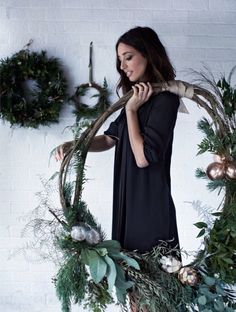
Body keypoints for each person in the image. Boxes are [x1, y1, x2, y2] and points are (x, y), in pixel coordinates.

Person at [55, 26, 180, 312]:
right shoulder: (131, 99)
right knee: (133, 287)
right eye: (119, 61)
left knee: (155, 286)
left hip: (150, 205)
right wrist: (76, 144)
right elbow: (110, 139)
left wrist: (132, 111)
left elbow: (142, 157)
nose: (122, 67)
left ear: (149, 55)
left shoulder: (165, 100)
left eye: (128, 57)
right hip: (127, 202)